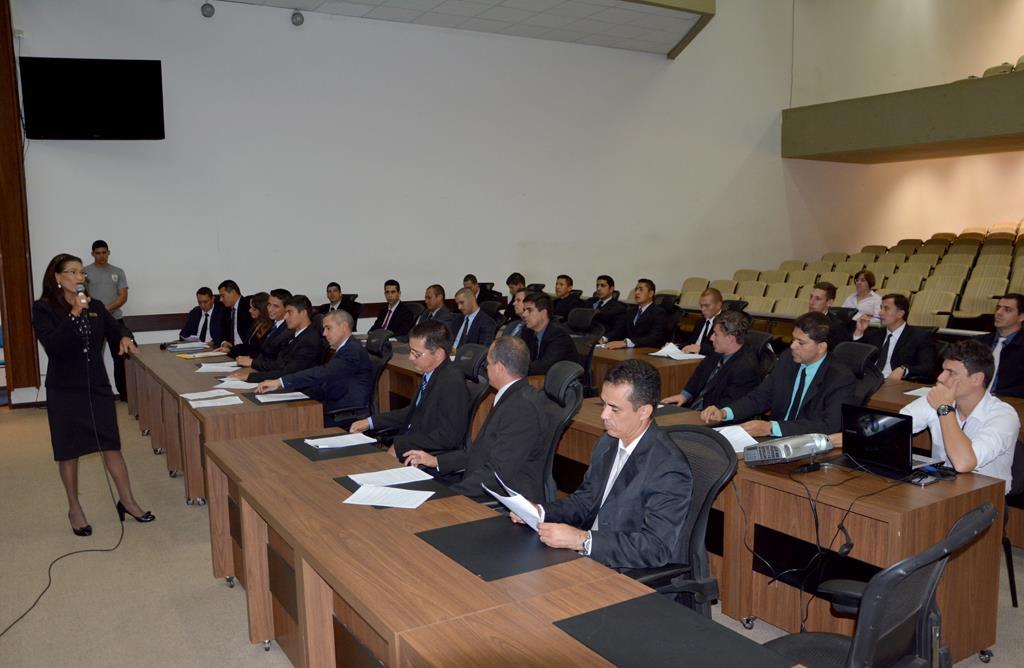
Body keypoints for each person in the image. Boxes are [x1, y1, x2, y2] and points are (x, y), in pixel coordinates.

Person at [510, 359, 693, 570]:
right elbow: (585, 501)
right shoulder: (608, 442)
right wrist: (539, 512)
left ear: (644, 412)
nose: (603, 415)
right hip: (593, 556)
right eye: (604, 404)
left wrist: (583, 540)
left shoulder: (668, 467)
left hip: (629, 571)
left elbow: (655, 547)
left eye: (614, 409)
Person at [32, 253, 154, 536]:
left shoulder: (96, 305)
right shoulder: (44, 309)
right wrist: (74, 313)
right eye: (73, 272)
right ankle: (74, 508)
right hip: (64, 390)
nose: (79, 277)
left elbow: (116, 327)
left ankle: (128, 502)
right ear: (57, 277)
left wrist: (125, 336)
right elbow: (53, 345)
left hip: (97, 387)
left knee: (111, 445)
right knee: (69, 451)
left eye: (80, 273)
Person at [402, 337, 552, 499]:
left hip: (504, 501)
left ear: (499, 368)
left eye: (488, 363)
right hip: (480, 483)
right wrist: (436, 461)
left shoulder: (522, 409)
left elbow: (497, 474)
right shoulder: (512, 397)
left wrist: (451, 494)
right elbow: (480, 453)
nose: (486, 367)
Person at [701, 312, 856, 436]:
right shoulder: (787, 359)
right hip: (776, 440)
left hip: (808, 446)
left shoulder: (840, 377)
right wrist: (724, 412)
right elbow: (760, 397)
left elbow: (829, 425)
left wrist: (772, 428)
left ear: (821, 347)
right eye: (793, 339)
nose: (793, 346)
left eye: (801, 342)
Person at [901, 340, 1018, 492]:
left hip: (985, 500)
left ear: (977, 379)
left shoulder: (1004, 416)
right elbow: (893, 427)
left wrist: (945, 409)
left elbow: (964, 463)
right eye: (943, 370)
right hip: (941, 490)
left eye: (951, 373)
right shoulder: (937, 399)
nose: (941, 378)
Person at [350, 321, 469, 459]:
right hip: (409, 444)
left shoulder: (451, 382)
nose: (410, 358)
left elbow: (449, 437)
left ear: (438, 354)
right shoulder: (431, 373)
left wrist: (402, 445)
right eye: (410, 351)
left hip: (425, 456)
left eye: (416, 354)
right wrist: (370, 422)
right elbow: (411, 413)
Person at [256, 310, 373, 428]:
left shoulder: (352, 351)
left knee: (289, 421)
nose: (324, 333)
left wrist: (281, 382)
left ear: (343, 327)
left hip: (345, 412)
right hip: (333, 401)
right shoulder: (345, 348)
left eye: (328, 328)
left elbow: (323, 373)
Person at [661, 310, 761, 410]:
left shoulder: (746, 368)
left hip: (713, 416)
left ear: (730, 339)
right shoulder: (717, 353)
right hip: (695, 409)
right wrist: (684, 395)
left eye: (716, 334)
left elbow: (730, 406)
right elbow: (699, 375)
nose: (711, 338)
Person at [230, 295, 322, 382]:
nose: (285, 317)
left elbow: (288, 372)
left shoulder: (310, 340)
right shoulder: (295, 334)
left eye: (289, 312)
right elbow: (279, 364)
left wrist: (251, 376)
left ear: (303, 313)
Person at [852, 292, 937, 383]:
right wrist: (859, 331)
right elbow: (855, 357)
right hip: (868, 381)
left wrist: (904, 369)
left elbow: (928, 367)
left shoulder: (919, 336)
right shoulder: (875, 334)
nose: (880, 313)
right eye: (881, 308)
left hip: (894, 384)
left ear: (900, 314)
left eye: (886, 308)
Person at [84, 240, 131, 400]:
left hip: (115, 320)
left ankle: (125, 395)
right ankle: (96, 394)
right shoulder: (85, 272)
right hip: (92, 321)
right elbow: (82, 296)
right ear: (92, 254)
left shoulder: (118, 272)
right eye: (98, 253)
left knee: (121, 358)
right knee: (93, 358)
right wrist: (98, 312)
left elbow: (123, 296)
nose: (101, 256)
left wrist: (106, 310)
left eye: (104, 252)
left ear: (109, 253)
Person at [975, 294, 1024, 397]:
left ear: (1021, 316)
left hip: (1011, 403)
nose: (998, 313)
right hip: (973, 400)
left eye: (1007, 310)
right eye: (998, 308)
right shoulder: (979, 342)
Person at [521, 292, 579, 375]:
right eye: (524, 310)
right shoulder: (527, 330)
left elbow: (545, 366)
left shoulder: (558, 334)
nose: (524, 314)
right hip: (538, 378)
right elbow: (522, 357)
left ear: (544, 313)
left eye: (529, 310)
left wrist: (516, 370)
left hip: (562, 382)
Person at [602, 279, 671, 349]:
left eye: (641, 290)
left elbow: (654, 337)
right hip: (629, 350)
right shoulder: (631, 311)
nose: (637, 292)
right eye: (636, 290)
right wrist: (605, 338)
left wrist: (627, 343)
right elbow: (620, 330)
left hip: (647, 351)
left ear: (651, 294)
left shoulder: (659, 313)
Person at [227, 288, 291, 360]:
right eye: (269, 305)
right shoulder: (272, 325)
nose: (270, 309)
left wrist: (252, 362)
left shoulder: (288, 328)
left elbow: (274, 358)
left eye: (275, 306)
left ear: (287, 308)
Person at [806, 281, 852, 353]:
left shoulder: (836, 327)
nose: (811, 302)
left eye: (817, 299)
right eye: (811, 297)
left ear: (829, 302)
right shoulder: (803, 320)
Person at [226, 291, 273, 359]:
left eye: (253, 309)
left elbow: (259, 351)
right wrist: (230, 349)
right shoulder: (255, 323)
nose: (250, 310)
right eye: (250, 307)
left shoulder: (270, 328)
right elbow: (246, 345)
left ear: (262, 310)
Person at [681, 288, 722, 355]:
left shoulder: (724, 323)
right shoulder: (701, 321)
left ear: (718, 305)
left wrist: (701, 349)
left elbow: (723, 350)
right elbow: (691, 343)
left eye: (706, 306)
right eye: (701, 305)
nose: (702, 309)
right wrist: (674, 346)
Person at [215, 279, 252, 350]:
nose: (220, 300)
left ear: (233, 292)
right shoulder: (225, 310)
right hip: (231, 351)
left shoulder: (248, 307)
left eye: (223, 296)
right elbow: (221, 331)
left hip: (245, 351)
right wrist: (224, 342)